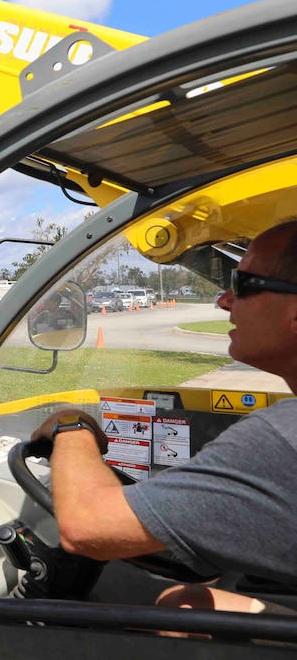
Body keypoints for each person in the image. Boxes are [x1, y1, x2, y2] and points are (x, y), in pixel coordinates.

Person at [32, 219, 297, 614]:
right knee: (186, 605)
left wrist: (72, 425)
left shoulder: (278, 440)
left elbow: (84, 526)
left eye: (242, 284)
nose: (223, 300)